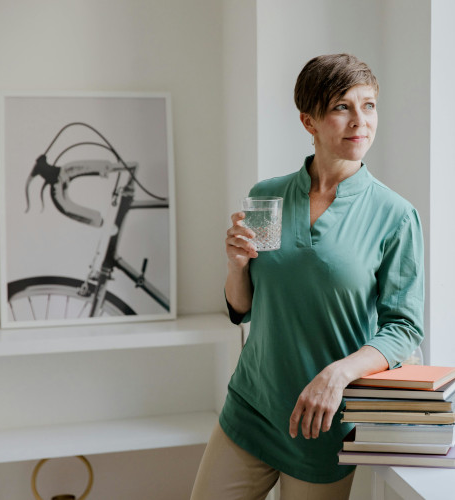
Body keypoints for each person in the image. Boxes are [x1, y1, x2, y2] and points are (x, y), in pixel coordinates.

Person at [190, 53, 424, 500]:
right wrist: (237, 266)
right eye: (342, 107)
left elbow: (405, 327)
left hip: (323, 422)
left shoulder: (395, 216)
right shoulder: (267, 196)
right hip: (251, 407)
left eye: (369, 105)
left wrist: (338, 375)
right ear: (308, 121)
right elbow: (243, 307)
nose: (360, 121)